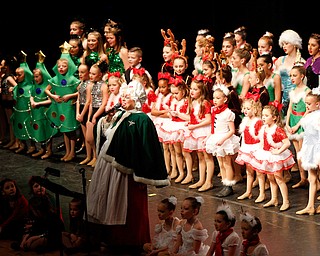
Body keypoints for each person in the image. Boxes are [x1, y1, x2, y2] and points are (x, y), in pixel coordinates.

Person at [86, 79, 170, 254]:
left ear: (136, 98)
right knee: (109, 201)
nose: (123, 99)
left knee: (126, 206)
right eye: (122, 96)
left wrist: (142, 173)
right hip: (109, 167)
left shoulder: (141, 119)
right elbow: (109, 135)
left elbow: (147, 147)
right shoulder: (120, 114)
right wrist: (106, 122)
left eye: (127, 97)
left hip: (125, 173)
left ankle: (130, 242)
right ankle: (109, 238)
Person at [248, 104, 295, 211]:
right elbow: (262, 141)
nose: (263, 117)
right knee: (270, 178)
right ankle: (274, 199)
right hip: (266, 154)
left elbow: (287, 143)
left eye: (266, 115)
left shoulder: (277, 130)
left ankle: (286, 201)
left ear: (274, 117)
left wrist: (278, 151)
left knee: (279, 178)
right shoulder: (264, 128)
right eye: (262, 115)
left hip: (275, 156)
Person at [44, 42, 80, 162]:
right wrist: (53, 97)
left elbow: (80, 92)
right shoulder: (55, 79)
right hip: (60, 106)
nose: (61, 68)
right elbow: (47, 90)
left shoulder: (73, 79)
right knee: (64, 130)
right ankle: (67, 152)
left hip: (69, 106)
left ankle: (72, 152)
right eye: (59, 67)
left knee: (71, 130)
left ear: (68, 67)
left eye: (63, 66)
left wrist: (70, 95)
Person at [205, 84, 240, 197]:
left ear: (225, 99)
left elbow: (232, 131)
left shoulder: (228, 113)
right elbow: (213, 127)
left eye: (218, 98)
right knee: (220, 163)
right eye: (214, 98)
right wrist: (208, 137)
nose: (215, 100)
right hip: (216, 138)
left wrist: (222, 139)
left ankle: (228, 186)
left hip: (225, 139)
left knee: (227, 163)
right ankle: (224, 183)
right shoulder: (214, 110)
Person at [183, 76, 214, 192]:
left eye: (195, 89)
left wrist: (194, 126)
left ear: (201, 91)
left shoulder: (204, 103)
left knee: (207, 157)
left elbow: (208, 120)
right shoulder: (193, 102)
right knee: (200, 156)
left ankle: (208, 181)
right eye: (191, 88)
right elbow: (193, 117)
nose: (192, 91)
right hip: (195, 131)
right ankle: (201, 180)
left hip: (203, 131)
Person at [157, 76, 190, 184]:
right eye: (173, 93)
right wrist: (171, 113)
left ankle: (188, 174)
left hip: (182, 127)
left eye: (176, 93)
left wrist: (179, 114)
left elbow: (190, 117)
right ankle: (179, 172)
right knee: (176, 152)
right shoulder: (173, 100)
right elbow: (170, 114)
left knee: (184, 152)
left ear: (183, 91)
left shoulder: (187, 101)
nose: (174, 95)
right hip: (173, 125)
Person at [27, 51, 56, 159]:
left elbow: (50, 100)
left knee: (46, 131)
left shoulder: (47, 87)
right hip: (36, 112)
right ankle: (42, 149)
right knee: (39, 130)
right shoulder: (35, 86)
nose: (36, 79)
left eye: (37, 76)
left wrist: (38, 103)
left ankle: (49, 150)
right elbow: (32, 95)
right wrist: (32, 101)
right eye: (34, 77)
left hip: (44, 112)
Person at [285, 65, 311, 189]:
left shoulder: (307, 91)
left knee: (303, 153)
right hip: (293, 120)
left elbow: (308, 110)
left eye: (294, 75)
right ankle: (302, 178)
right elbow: (290, 108)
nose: (292, 78)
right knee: (297, 152)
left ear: (302, 76)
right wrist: (287, 123)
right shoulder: (293, 91)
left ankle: (311, 178)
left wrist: (297, 125)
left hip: (301, 121)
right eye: (290, 75)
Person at [295, 89, 320, 215]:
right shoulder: (309, 115)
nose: (306, 106)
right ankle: (310, 205)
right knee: (311, 178)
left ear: (318, 104)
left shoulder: (318, 116)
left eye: (309, 104)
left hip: (318, 148)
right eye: (306, 103)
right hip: (309, 147)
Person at [235, 98, 265, 202]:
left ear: (255, 109)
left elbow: (262, 138)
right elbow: (243, 136)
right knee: (249, 171)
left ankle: (262, 193)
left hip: (256, 148)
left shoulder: (258, 122)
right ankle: (248, 191)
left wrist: (260, 152)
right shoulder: (245, 120)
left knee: (259, 172)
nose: (245, 110)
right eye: (244, 108)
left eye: (248, 108)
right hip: (247, 147)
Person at [151, 72, 176, 178]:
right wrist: (162, 112)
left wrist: (160, 112)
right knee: (164, 147)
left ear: (169, 86)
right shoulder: (159, 96)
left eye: (164, 87)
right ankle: (166, 167)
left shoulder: (171, 97)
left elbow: (170, 114)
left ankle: (174, 168)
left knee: (171, 148)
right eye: (160, 87)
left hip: (169, 124)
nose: (161, 89)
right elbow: (153, 112)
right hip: (160, 122)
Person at [274, 29, 305, 116]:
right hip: (281, 97)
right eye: (283, 44)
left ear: (295, 44)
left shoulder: (302, 62)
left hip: (295, 98)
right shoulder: (280, 60)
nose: (284, 46)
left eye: (287, 43)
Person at [85, 62, 109, 167]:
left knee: (98, 138)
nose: (91, 76)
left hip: (100, 113)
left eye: (93, 74)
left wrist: (95, 116)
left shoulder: (104, 86)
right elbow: (91, 103)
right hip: (93, 111)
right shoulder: (91, 85)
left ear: (100, 74)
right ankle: (95, 156)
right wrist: (89, 117)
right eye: (90, 73)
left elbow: (104, 104)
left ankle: (98, 158)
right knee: (89, 138)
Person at [0, 55, 19, 149]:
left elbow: (17, 86)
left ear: (7, 66)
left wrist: (13, 88)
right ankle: (12, 140)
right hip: (6, 102)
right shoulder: (5, 76)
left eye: (2, 65)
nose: (1, 66)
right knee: (9, 122)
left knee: (11, 122)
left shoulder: (9, 77)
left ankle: (15, 141)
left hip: (10, 102)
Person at [76, 63, 91, 164]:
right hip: (81, 109)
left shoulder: (90, 84)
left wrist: (82, 114)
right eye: (79, 72)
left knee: (89, 137)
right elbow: (78, 99)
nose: (80, 74)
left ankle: (93, 156)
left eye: (82, 72)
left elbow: (88, 101)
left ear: (88, 73)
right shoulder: (81, 84)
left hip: (87, 109)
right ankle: (88, 156)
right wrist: (77, 112)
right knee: (85, 136)